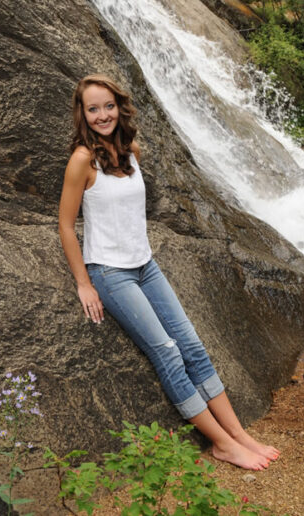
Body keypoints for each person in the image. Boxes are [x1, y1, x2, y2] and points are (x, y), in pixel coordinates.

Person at [58, 73, 279, 470]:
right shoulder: (82, 160)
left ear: (119, 106)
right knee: (168, 352)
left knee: (192, 345)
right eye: (93, 109)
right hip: (111, 273)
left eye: (108, 106)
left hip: (146, 266)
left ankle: (239, 435)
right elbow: (65, 225)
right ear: (83, 114)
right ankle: (221, 444)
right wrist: (83, 283)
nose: (103, 115)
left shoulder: (132, 152)